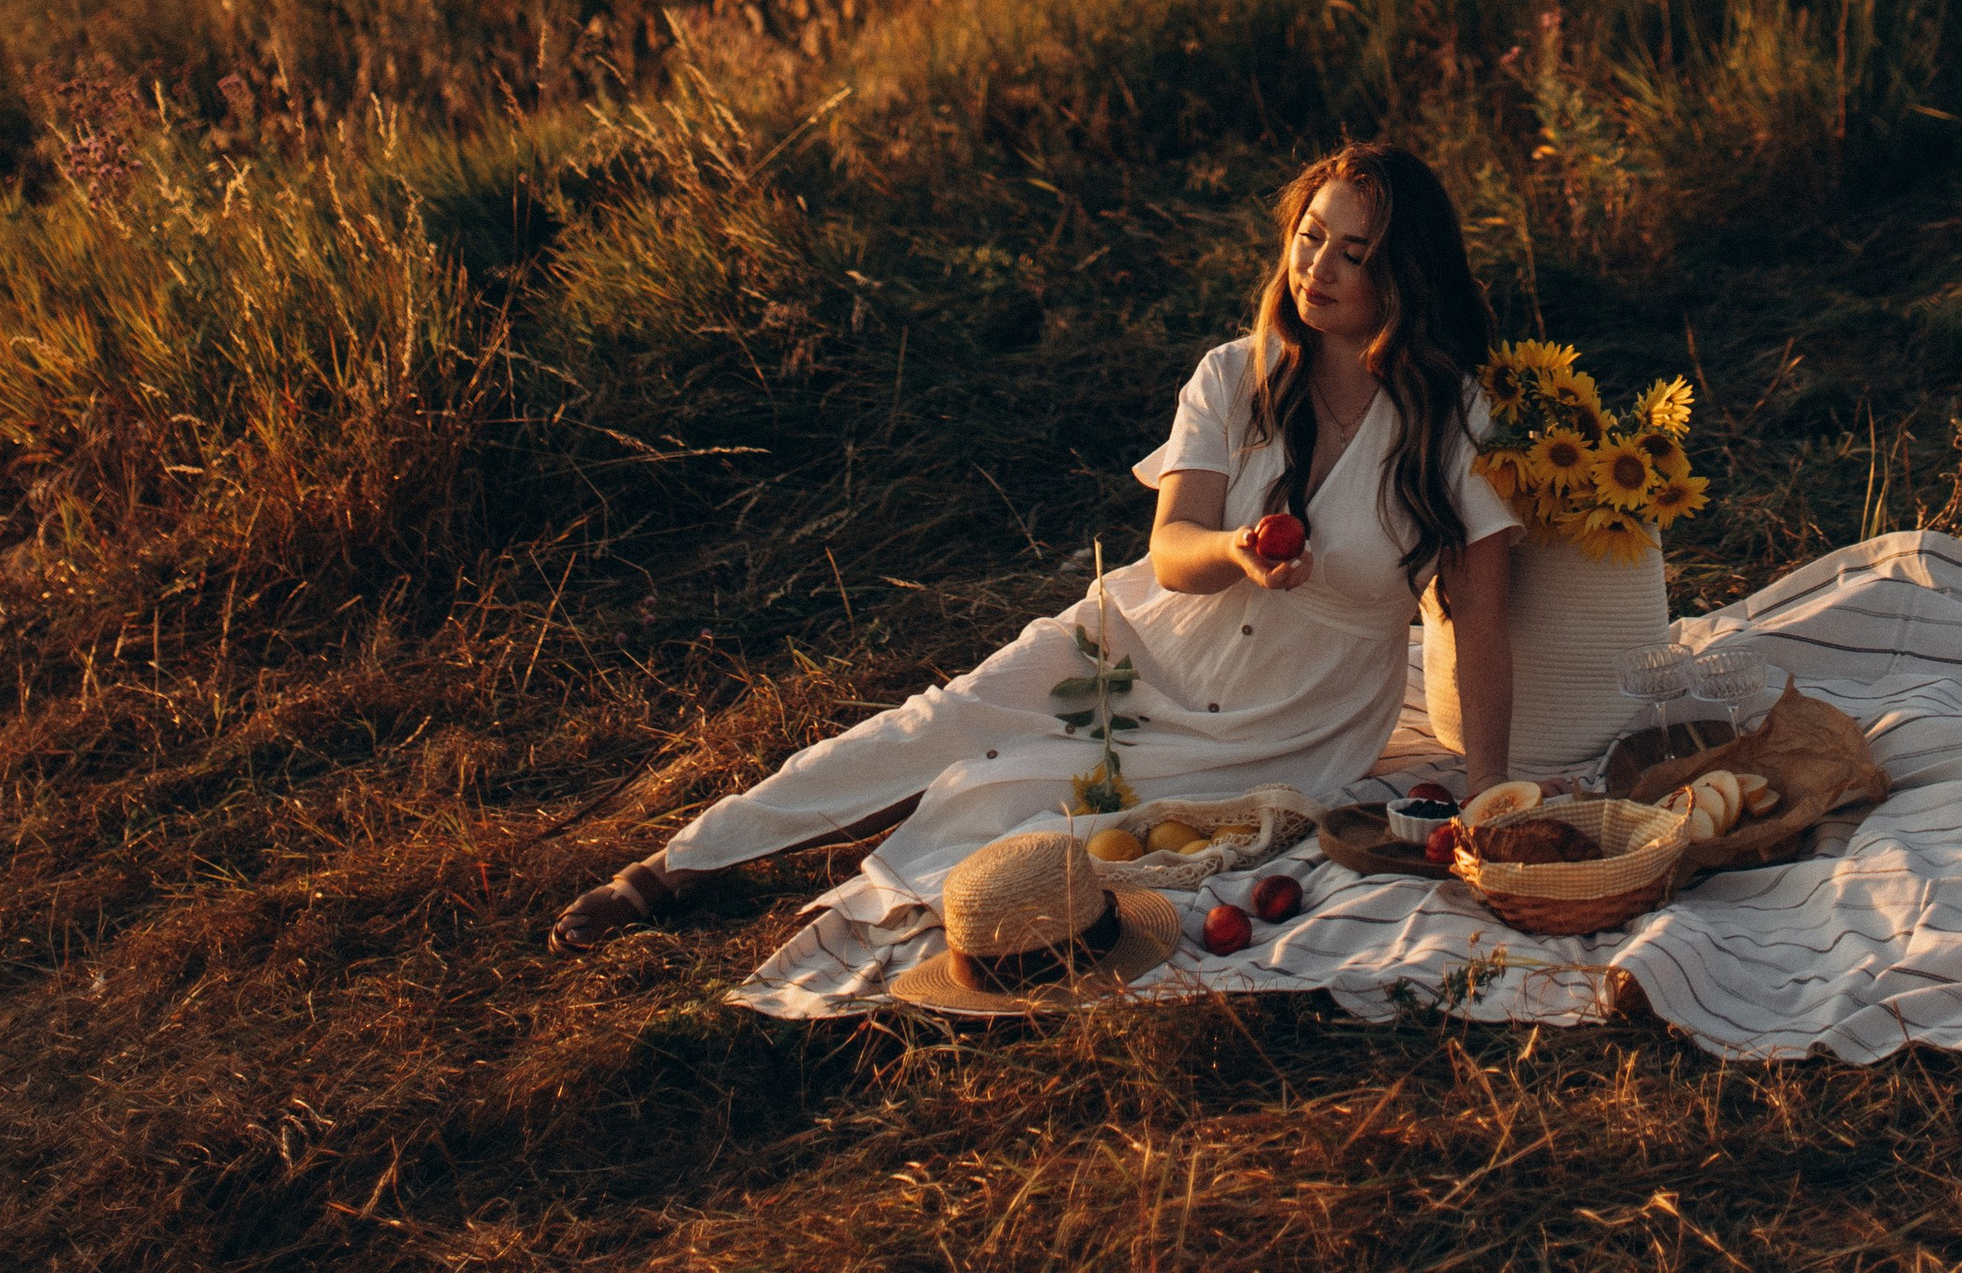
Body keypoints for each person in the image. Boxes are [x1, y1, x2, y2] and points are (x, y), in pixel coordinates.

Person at [550, 139, 1518, 947]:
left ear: (1402, 272)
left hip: (1280, 729)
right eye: (1310, 236)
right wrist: (1235, 553)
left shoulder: (1449, 422)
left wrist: (1488, 803)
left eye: (1355, 252)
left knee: (1015, 799)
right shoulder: (1233, 376)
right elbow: (1174, 543)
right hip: (1138, 646)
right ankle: (678, 861)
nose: (1318, 267)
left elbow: (1478, 623)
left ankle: (801, 874)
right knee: (945, 717)